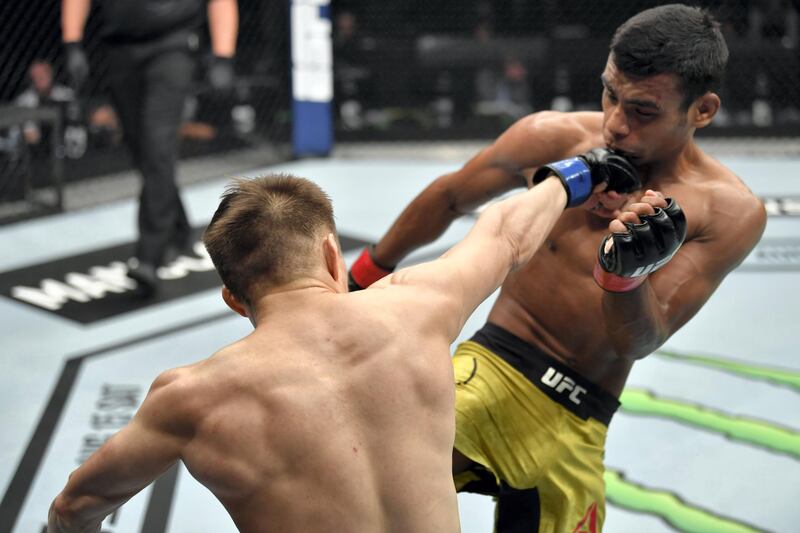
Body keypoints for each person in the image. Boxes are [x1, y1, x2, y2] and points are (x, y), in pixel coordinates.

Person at [347, 4, 767, 532]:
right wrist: (359, 277)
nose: (615, 124)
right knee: (366, 480)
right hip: (493, 369)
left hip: (582, 416)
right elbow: (451, 196)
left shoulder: (728, 211)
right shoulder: (554, 138)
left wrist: (625, 275)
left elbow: (637, 340)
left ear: (701, 110)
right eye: (610, 93)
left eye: (642, 111)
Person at [46, 164, 640, 532]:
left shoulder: (190, 399)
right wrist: (577, 175)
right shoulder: (418, 308)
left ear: (233, 298)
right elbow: (507, 233)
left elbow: (74, 508)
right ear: (333, 255)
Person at [61, 0, 239, 296]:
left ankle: (149, 255)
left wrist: (223, 55)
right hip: (120, 48)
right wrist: (72, 41)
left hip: (173, 44)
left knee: (158, 142)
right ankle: (179, 228)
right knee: (142, 149)